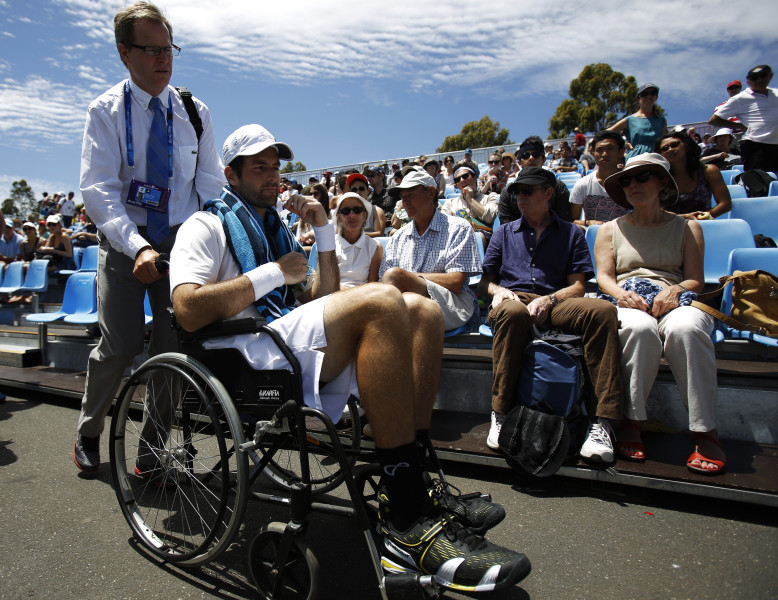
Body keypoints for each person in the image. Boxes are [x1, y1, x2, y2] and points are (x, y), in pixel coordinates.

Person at [170, 123, 529, 591]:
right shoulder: (207, 224)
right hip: (243, 355)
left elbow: (324, 294)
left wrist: (322, 228)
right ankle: (403, 518)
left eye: (275, 168)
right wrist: (271, 274)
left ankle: (416, 480)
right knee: (382, 298)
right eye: (259, 168)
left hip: (279, 337)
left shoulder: (273, 227)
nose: (272, 177)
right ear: (230, 174)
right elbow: (188, 309)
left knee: (422, 309)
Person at [72, 1, 225, 473]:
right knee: (117, 347)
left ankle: (152, 452)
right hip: (124, 244)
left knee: (173, 351)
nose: (164, 59)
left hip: (179, 245)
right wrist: (136, 245)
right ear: (124, 52)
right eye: (152, 49)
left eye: (170, 49)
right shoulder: (106, 111)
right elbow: (98, 190)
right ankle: (89, 430)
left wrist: (209, 238)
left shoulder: (193, 112)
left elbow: (211, 184)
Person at [478, 167, 623, 463]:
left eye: (528, 191)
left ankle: (601, 421)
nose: (520, 197)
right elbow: (484, 282)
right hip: (513, 299)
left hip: (555, 300)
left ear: (548, 193)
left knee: (604, 310)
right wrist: (497, 291)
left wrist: (550, 298)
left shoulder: (571, 232)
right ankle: (501, 412)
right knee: (513, 312)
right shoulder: (503, 232)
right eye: (517, 191)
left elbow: (579, 286)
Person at [595, 153, 726, 474]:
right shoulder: (608, 229)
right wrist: (621, 294)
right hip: (627, 298)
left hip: (674, 298)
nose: (633, 185)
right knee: (638, 330)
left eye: (642, 178)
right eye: (627, 180)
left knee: (688, 329)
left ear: (663, 183)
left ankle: (705, 430)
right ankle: (632, 420)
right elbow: (604, 278)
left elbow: (695, 277)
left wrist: (676, 290)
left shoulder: (688, 226)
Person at [380, 169, 481, 333]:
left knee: (397, 279)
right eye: (403, 197)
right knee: (405, 298)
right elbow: (386, 287)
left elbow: (456, 282)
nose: (405, 201)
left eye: (411, 195)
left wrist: (406, 278)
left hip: (453, 305)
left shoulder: (458, 228)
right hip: (405, 306)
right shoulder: (397, 237)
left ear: (431, 193)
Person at [709, 64, 778, 173]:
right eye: (754, 78)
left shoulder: (776, 93)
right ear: (748, 82)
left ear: (770, 76)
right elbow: (714, 120)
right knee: (759, 184)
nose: (759, 80)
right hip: (756, 146)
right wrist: (739, 125)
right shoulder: (740, 99)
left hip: (775, 144)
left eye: (763, 75)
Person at [655, 131, 732, 219]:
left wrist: (700, 218)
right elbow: (657, 211)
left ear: (687, 146)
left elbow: (725, 204)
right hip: (672, 227)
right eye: (664, 148)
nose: (670, 149)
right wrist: (685, 218)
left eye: (675, 144)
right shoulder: (659, 179)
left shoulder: (708, 171)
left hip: (703, 225)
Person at [499, 136, 571, 224]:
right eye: (526, 155)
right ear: (519, 162)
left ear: (544, 159)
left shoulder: (559, 188)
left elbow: (562, 224)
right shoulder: (508, 192)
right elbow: (506, 228)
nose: (531, 158)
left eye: (536, 154)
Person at [569, 130, 628, 227]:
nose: (605, 154)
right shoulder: (583, 184)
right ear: (592, 152)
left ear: (621, 151)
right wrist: (588, 223)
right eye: (600, 150)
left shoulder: (630, 182)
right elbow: (573, 220)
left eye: (610, 148)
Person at [334, 192, 382, 288]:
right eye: (346, 211)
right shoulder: (329, 245)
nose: (352, 215)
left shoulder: (375, 246)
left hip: (363, 298)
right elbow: (326, 284)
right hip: (332, 297)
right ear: (338, 217)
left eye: (357, 210)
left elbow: (372, 286)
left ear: (365, 215)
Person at [442, 165, 498, 247]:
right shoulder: (450, 203)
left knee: (478, 237)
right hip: (456, 240)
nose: (462, 180)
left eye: (465, 176)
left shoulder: (489, 198)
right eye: (457, 179)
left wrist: (470, 199)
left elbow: (490, 218)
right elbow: (443, 226)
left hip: (484, 242)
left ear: (475, 177)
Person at [608, 83, 668, 159]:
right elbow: (607, 133)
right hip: (635, 158)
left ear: (656, 97)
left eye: (653, 93)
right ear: (638, 99)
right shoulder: (630, 119)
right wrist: (624, 143)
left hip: (656, 159)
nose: (649, 96)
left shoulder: (662, 121)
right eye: (644, 94)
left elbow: (663, 143)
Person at [345, 173, 385, 238]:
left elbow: (379, 234)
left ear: (368, 191)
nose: (358, 192)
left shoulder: (377, 211)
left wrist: (357, 235)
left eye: (361, 188)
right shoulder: (345, 212)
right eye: (354, 190)